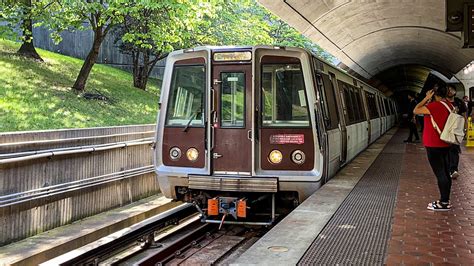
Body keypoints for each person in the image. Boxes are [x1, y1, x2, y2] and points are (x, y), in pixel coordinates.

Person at [414, 85, 453, 211]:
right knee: (446, 172)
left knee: (440, 173)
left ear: (434, 94)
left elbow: (416, 110)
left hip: (433, 144)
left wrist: (426, 98)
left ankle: (443, 202)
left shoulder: (433, 106)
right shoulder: (449, 105)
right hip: (446, 143)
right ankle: (445, 199)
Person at [446, 86, 467, 179]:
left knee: (454, 149)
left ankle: (453, 170)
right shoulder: (442, 102)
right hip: (445, 129)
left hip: (456, 130)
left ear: (455, 91)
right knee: (445, 150)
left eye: (452, 89)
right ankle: (447, 169)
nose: (450, 91)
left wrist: (465, 128)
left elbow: (464, 116)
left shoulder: (459, 102)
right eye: (448, 90)